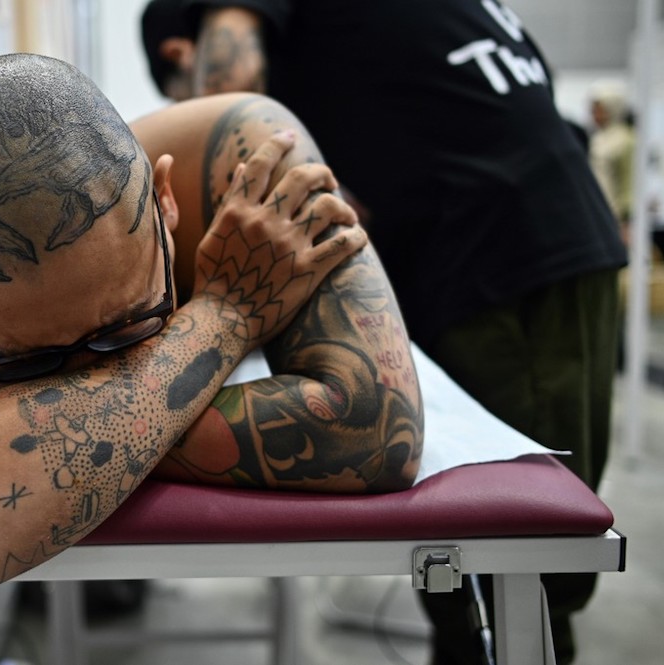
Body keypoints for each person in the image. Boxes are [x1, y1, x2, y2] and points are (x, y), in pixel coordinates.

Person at [0, 53, 424, 596]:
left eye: (129, 327)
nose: (94, 371)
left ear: (166, 200)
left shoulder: (254, 157)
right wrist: (227, 315)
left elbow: (372, 425)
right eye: (28, 363)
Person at [140, 1, 628, 663]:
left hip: (512, 254)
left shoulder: (230, 28)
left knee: (515, 572)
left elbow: (233, 93)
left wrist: (226, 268)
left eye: (180, 96)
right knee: (498, 571)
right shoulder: (368, 30)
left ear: (179, 52)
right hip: (536, 225)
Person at [588, 81, 636, 242]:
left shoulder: (626, 139)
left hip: (618, 215)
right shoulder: (598, 138)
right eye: (593, 110)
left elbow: (629, 180)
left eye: (599, 110)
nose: (595, 115)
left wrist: (626, 216)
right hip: (598, 208)